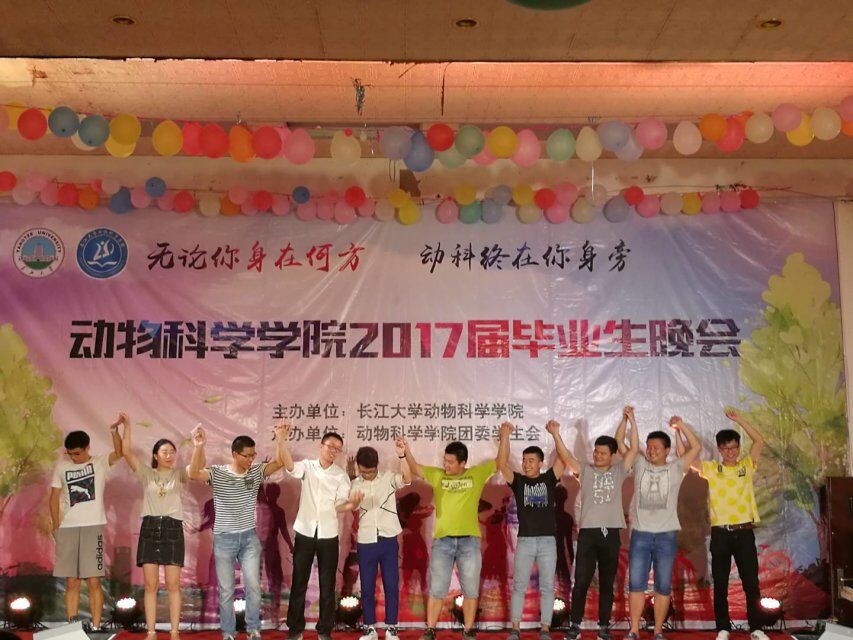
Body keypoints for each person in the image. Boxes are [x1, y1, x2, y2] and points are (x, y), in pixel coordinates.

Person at [187, 423, 288, 640]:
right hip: (224, 539)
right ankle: (228, 632)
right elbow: (194, 473)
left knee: (253, 586)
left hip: (249, 538)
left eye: (253, 455)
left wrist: (280, 439)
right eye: (247, 455)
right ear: (235, 454)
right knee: (226, 590)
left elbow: (279, 463)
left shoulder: (255, 471)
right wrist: (198, 446)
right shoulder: (219, 473)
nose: (251, 459)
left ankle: (253, 629)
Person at [674, 409, 768, 640]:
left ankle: (756, 628)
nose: (730, 452)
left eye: (734, 447)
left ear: (739, 447)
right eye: (726, 448)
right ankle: (723, 629)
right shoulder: (712, 470)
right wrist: (679, 428)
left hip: (744, 532)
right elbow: (684, 457)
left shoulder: (746, 466)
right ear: (719, 449)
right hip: (721, 535)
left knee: (751, 583)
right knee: (721, 583)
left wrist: (740, 420)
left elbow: (759, 441)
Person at [403, 439, 498, 640]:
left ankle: (468, 630)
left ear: (463, 463)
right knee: (437, 588)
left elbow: (501, 462)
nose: (445, 465)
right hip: (442, 542)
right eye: (444, 460)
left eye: (450, 462)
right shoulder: (437, 475)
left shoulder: (476, 474)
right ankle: (430, 630)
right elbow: (414, 467)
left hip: (469, 542)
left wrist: (504, 437)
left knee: (470, 589)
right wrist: (406, 451)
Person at [564, 407, 640, 640]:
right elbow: (567, 457)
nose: (597, 456)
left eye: (602, 453)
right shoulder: (585, 470)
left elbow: (633, 449)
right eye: (596, 452)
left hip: (610, 534)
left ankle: (604, 626)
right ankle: (574, 625)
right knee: (581, 581)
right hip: (588, 534)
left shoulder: (619, 470)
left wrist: (630, 420)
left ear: (612, 455)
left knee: (607, 583)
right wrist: (557, 434)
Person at [626, 416, 700, 640]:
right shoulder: (640, 464)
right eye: (649, 447)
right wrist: (631, 421)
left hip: (666, 535)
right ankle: (634, 629)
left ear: (667, 450)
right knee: (636, 584)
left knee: (663, 585)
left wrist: (681, 426)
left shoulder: (676, 468)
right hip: (640, 534)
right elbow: (623, 445)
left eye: (656, 447)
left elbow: (696, 447)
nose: (651, 451)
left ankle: (658, 630)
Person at [496, 420, 571, 640]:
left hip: (547, 541)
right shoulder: (518, 481)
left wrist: (555, 433)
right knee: (519, 586)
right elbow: (502, 464)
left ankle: (545, 629)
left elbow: (564, 459)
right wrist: (505, 436)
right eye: (524, 460)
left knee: (547, 587)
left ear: (540, 463)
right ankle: (515, 628)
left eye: (531, 461)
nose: (526, 464)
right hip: (526, 541)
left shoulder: (548, 479)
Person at [120, 413, 192, 640]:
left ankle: (174, 632)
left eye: (172, 452)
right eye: (164, 452)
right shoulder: (147, 473)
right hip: (150, 528)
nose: (169, 456)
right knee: (150, 585)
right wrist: (127, 426)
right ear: (155, 455)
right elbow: (125, 452)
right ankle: (151, 632)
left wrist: (199, 446)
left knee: (173, 585)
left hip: (172, 529)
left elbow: (197, 467)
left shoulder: (180, 475)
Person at [49, 415, 123, 630]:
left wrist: (114, 431)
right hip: (68, 528)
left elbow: (119, 453)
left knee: (93, 580)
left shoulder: (99, 463)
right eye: (70, 454)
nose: (73, 457)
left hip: (93, 527)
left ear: (87, 448)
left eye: (77, 453)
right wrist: (55, 524)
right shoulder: (61, 468)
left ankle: (96, 626)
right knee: (71, 581)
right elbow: (53, 497)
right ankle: (71, 626)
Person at [280, 429, 354, 640]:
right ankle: (295, 629)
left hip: (328, 535)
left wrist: (351, 504)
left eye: (337, 449)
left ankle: (324, 630)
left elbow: (340, 505)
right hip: (305, 532)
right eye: (330, 446)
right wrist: (282, 440)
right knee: (299, 582)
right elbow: (289, 466)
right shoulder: (307, 466)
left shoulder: (340, 475)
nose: (333, 451)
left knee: (327, 585)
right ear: (321, 446)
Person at [339, 439, 412, 640]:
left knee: (391, 585)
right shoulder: (355, 484)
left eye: (371, 472)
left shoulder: (388, 478)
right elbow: (350, 506)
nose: (368, 475)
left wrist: (402, 455)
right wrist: (352, 496)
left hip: (388, 540)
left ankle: (391, 627)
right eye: (364, 472)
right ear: (358, 467)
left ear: (377, 466)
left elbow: (407, 478)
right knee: (367, 587)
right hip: (366, 541)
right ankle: (369, 627)